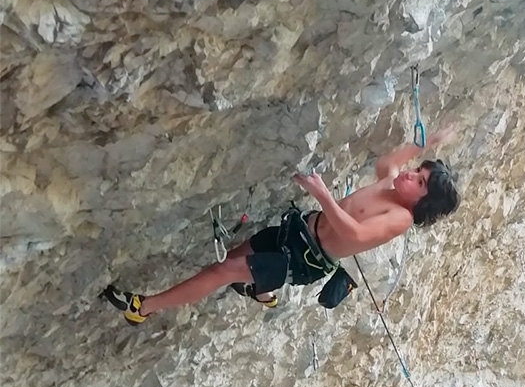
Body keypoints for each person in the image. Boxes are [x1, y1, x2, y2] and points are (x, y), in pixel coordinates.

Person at [102, 127, 460, 325]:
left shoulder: (400, 218)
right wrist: (428, 142)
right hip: (298, 231)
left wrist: (322, 195)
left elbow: (355, 234)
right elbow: (387, 162)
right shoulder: (392, 183)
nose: (411, 175)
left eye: (421, 182)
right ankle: (262, 293)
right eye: (419, 171)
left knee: (226, 269)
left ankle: (143, 307)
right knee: (233, 257)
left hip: (307, 259)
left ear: (422, 202)